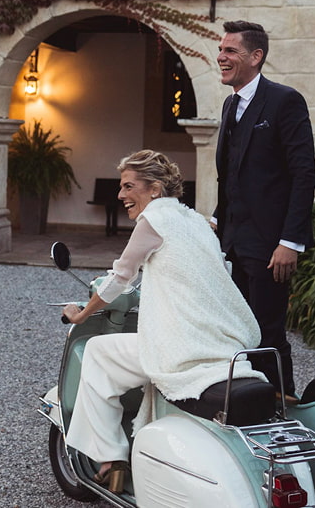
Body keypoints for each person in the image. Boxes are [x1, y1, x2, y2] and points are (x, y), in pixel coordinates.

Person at [62, 150, 265, 493]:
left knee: (96, 351)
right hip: (220, 341)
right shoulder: (197, 221)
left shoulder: (153, 220)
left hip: (179, 345)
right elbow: (212, 273)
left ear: (154, 189)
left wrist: (82, 313)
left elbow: (120, 278)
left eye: (129, 186)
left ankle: (111, 457)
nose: (120, 194)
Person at [213, 20, 315, 401]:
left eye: (230, 51)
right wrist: (216, 219)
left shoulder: (284, 101)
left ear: (256, 57)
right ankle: (249, 402)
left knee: (268, 332)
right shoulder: (230, 104)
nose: (221, 57)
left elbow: (303, 174)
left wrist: (290, 241)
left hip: (272, 245)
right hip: (234, 243)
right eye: (221, 50)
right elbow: (235, 176)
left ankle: (283, 407)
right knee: (239, 329)